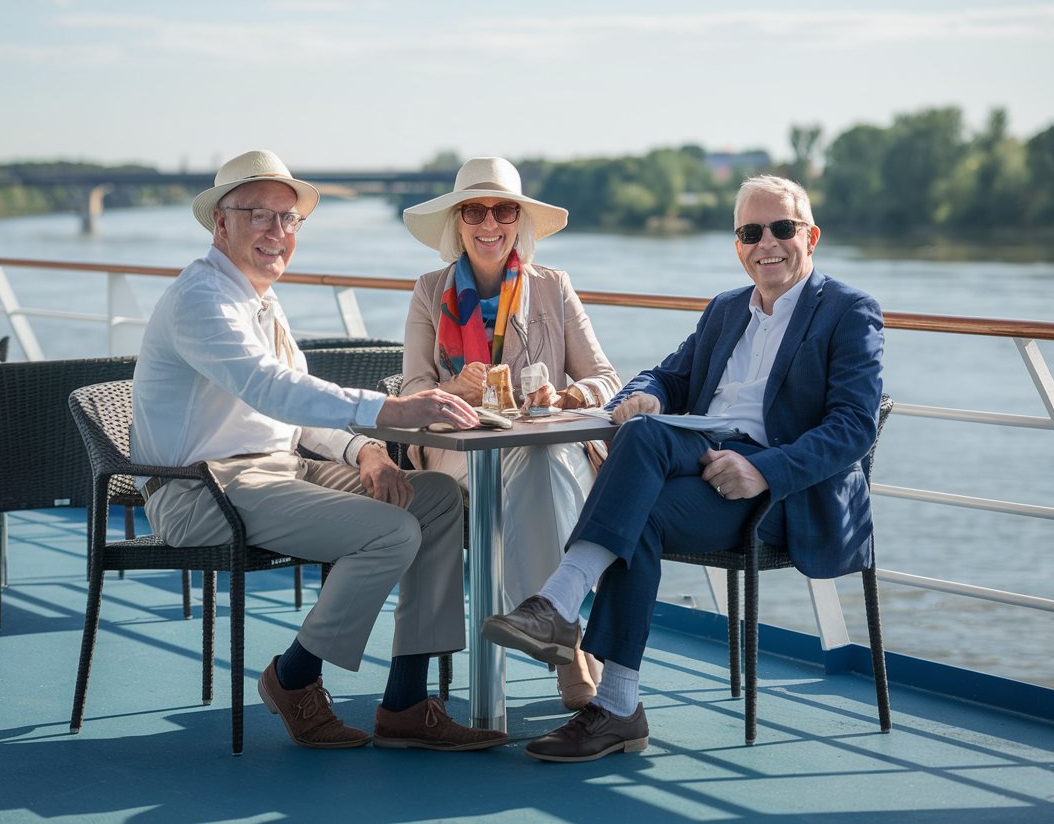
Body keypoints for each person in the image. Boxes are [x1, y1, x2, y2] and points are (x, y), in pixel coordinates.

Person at [482, 174, 885, 762]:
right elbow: (669, 375)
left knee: (638, 499)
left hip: (776, 493)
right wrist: (644, 393)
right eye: (751, 231)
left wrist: (765, 471)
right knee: (642, 435)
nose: (766, 242)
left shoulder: (848, 311)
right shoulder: (726, 309)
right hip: (706, 463)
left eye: (782, 228)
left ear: (811, 236)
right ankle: (610, 695)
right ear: (738, 244)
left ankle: (565, 620)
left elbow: (854, 426)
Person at [131, 150, 508, 752]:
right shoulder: (200, 300)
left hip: (281, 470)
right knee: (390, 533)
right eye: (259, 215)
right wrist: (392, 412)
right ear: (218, 224)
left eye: (288, 220)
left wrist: (367, 452)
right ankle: (295, 677)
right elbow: (270, 388)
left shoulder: (261, 301)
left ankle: (406, 703)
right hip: (204, 488)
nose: (277, 232)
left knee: (435, 497)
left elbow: (300, 413)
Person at [401, 157, 622, 709]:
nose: (489, 223)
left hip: (546, 451)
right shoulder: (429, 291)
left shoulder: (554, 287)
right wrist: (457, 387)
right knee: (531, 466)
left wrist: (567, 395)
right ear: (458, 223)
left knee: (539, 462)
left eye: (502, 210)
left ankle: (551, 625)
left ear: (518, 220)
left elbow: (606, 379)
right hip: (458, 452)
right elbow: (410, 394)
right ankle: (570, 646)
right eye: (475, 210)